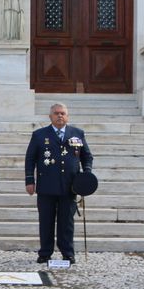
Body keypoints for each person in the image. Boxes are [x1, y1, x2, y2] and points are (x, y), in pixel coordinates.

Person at [25, 103, 94, 264]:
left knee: (66, 222)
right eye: (56, 113)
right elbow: (30, 159)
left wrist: (87, 175)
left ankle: (67, 252)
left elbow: (87, 157)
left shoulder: (77, 133)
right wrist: (29, 180)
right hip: (46, 186)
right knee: (46, 221)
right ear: (50, 117)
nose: (59, 116)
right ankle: (45, 252)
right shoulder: (39, 135)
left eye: (63, 113)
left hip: (69, 186)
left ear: (67, 116)